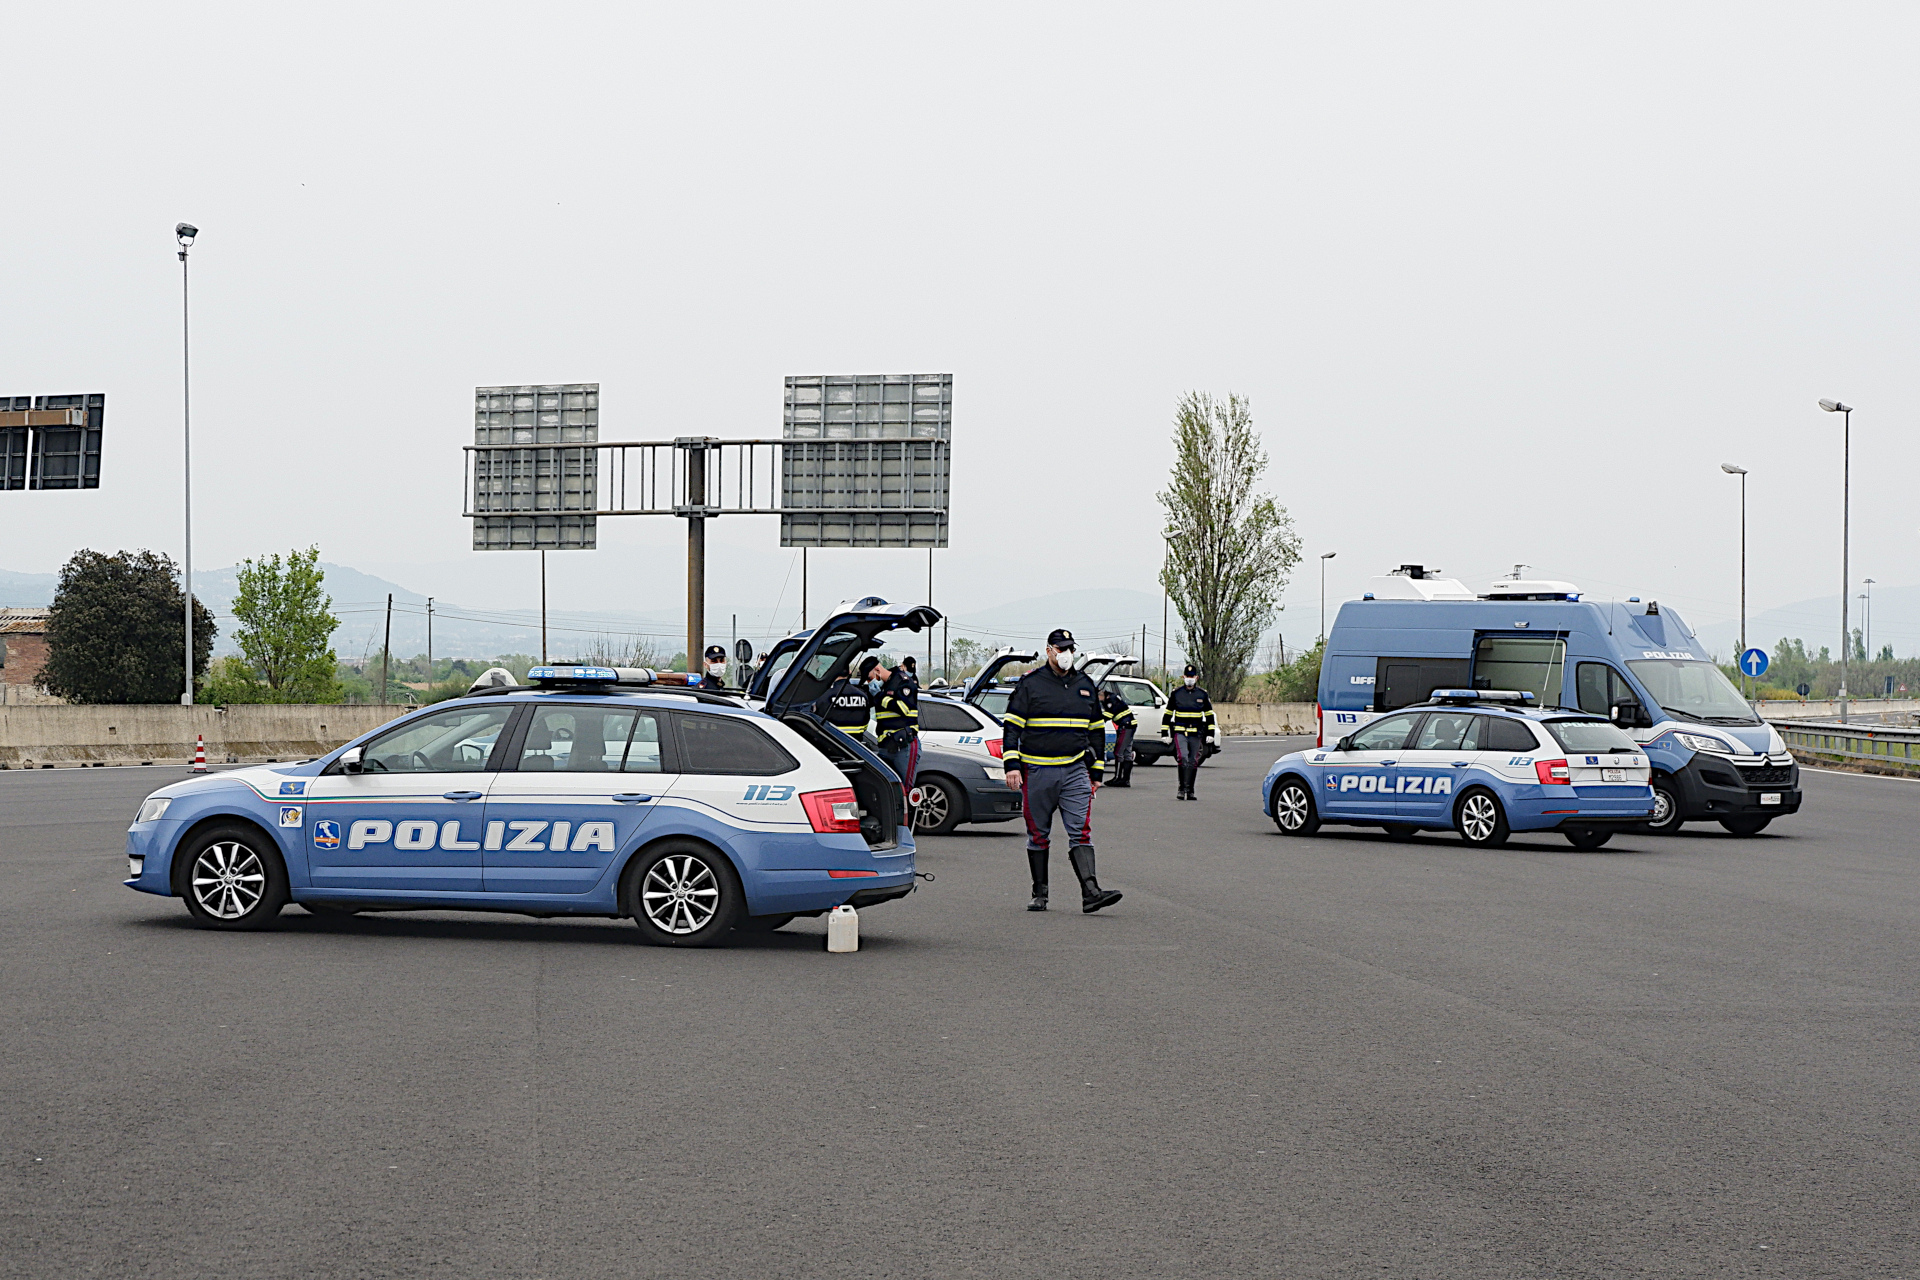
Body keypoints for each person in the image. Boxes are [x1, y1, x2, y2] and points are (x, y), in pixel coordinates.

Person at [1002, 629, 1123, 914]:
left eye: (1070, 648)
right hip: (1037, 771)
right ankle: (1040, 893)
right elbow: (1012, 728)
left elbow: (1096, 730)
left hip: (1074, 770)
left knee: (1081, 832)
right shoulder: (1030, 684)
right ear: (1049, 651)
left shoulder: (1085, 685)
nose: (1066, 654)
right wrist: (1012, 766)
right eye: (1061, 648)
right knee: (1038, 834)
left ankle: (1091, 892)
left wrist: (1096, 774)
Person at [1166, 662, 1217, 801]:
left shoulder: (1202, 694)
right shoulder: (1176, 694)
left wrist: (1210, 734)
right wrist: (1165, 733)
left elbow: (1209, 715)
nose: (1189, 678)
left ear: (1197, 677)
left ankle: (1191, 790)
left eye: (1192, 676)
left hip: (1196, 733)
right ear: (1183, 677)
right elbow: (1167, 714)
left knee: (1193, 761)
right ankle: (1181, 788)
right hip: (1180, 731)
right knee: (1182, 757)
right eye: (1187, 676)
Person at [872, 655, 920, 793]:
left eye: (870, 678)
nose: (870, 683)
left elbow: (905, 709)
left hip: (904, 745)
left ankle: (908, 815)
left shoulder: (902, 682)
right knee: (889, 792)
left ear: (877, 671)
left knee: (905, 791)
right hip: (886, 746)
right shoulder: (885, 685)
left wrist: (879, 696)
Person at [813, 657, 876, 732]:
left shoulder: (824, 697)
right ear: (849, 672)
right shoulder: (863, 696)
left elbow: (817, 723)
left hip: (830, 740)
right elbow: (865, 723)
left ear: (833, 673)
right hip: (854, 742)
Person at [1100, 684, 1137, 787]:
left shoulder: (1110, 700)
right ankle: (1125, 779)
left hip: (1126, 726)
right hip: (1129, 725)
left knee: (1118, 752)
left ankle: (1118, 778)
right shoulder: (1112, 697)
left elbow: (1108, 715)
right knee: (1126, 753)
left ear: (1101, 694)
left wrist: (1096, 721)